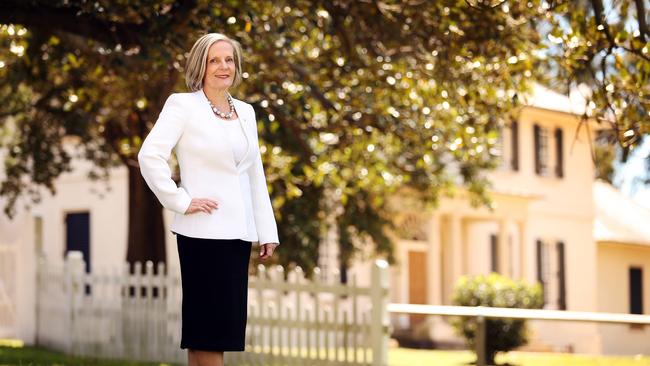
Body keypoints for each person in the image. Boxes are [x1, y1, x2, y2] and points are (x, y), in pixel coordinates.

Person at [137, 33, 280, 366]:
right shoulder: (182, 106)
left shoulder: (245, 112)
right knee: (208, 333)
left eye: (229, 60)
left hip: (236, 236)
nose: (223, 66)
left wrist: (266, 231)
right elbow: (150, 156)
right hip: (201, 234)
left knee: (219, 333)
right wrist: (180, 200)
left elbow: (254, 173)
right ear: (200, 66)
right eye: (215, 60)